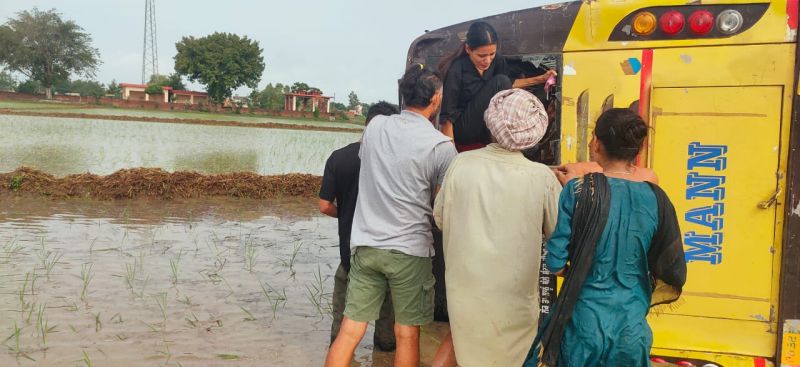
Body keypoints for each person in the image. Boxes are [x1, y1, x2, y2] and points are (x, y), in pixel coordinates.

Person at [524, 108, 687, 367]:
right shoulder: (657, 199)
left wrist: (581, 267)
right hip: (631, 326)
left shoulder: (577, 191)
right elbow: (667, 265)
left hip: (582, 323)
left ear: (597, 143)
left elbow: (555, 263)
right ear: (637, 150)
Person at [325, 64, 457, 367]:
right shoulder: (440, 146)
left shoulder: (375, 127)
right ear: (436, 98)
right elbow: (443, 205)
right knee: (407, 333)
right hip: (410, 251)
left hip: (367, 246)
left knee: (350, 329)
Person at [432, 89, 561, 366]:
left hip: (465, 296)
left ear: (490, 122)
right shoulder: (542, 178)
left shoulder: (460, 163)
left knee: (465, 350)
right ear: (534, 133)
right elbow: (558, 236)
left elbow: (440, 218)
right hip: (514, 302)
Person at [319, 101, 400, 352]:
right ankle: (384, 349)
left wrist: (347, 216)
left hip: (350, 248)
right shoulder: (396, 161)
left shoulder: (339, 157)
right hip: (386, 248)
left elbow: (324, 206)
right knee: (388, 309)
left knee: (343, 314)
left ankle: (339, 351)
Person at [438, 21, 557, 152]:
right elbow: (447, 118)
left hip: (487, 125)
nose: (487, 60)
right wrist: (450, 154)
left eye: (491, 54)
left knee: (503, 84)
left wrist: (541, 78)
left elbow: (508, 85)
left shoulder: (498, 61)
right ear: (468, 49)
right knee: (500, 81)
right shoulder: (457, 69)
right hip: (464, 130)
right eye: (481, 56)